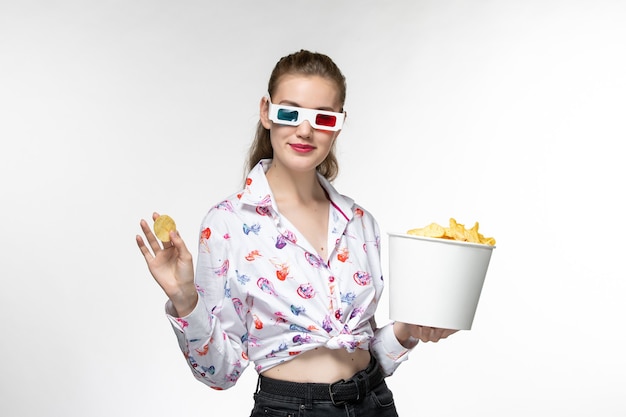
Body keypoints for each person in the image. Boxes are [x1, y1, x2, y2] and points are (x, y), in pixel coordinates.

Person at [136, 49, 457, 416]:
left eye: (322, 117)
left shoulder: (360, 222)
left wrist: (408, 330)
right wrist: (184, 299)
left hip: (375, 403)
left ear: (338, 123)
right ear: (266, 112)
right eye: (290, 113)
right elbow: (219, 373)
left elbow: (370, 353)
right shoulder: (227, 223)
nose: (305, 130)